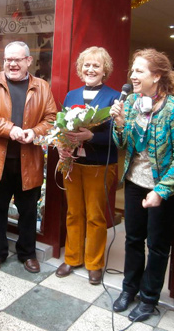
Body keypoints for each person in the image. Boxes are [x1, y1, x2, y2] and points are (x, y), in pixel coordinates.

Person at [109, 48, 174, 322]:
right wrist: (120, 125)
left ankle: (148, 298)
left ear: (156, 76)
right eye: (132, 70)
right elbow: (124, 146)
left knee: (157, 246)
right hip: (135, 183)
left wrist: (161, 191)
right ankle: (128, 289)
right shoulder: (132, 102)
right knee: (133, 239)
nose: (132, 75)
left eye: (139, 71)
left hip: (164, 189)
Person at [0, 41, 57, 274]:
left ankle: (27, 253)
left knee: (28, 211)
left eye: (17, 59)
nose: (12, 64)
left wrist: (35, 132)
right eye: (8, 59)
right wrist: (9, 129)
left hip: (28, 160)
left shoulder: (42, 86)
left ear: (28, 61)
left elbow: (51, 118)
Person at [55, 47, 120, 285]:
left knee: (95, 215)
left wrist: (90, 138)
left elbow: (118, 136)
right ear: (80, 69)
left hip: (99, 165)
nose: (90, 69)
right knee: (73, 212)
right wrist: (61, 146)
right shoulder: (71, 95)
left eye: (96, 65)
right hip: (72, 163)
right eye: (86, 65)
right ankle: (72, 258)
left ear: (105, 70)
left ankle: (94, 263)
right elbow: (61, 127)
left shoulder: (114, 97)